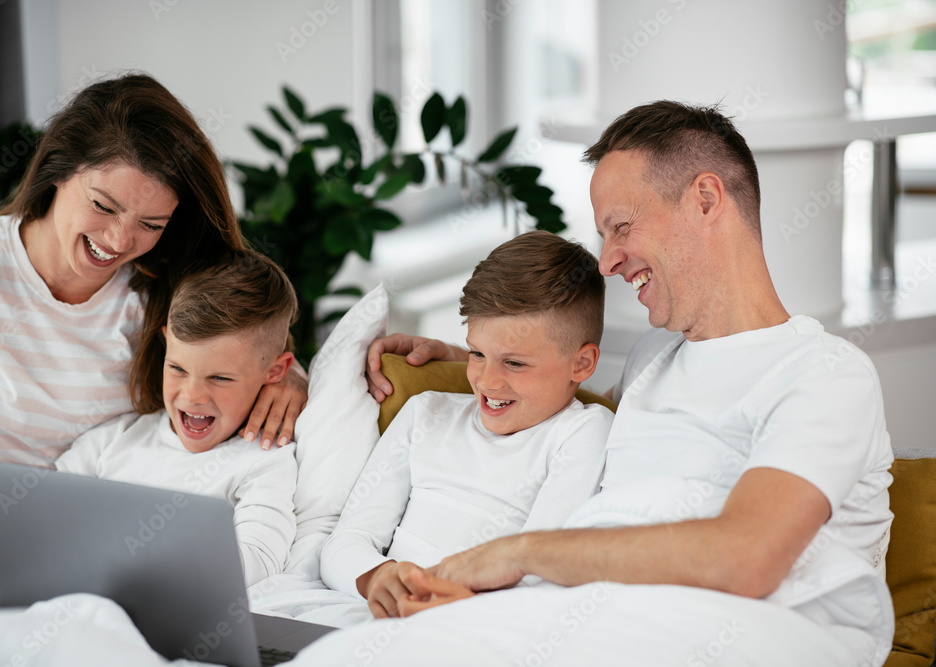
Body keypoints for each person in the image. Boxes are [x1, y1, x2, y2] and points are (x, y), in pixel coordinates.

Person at [291, 101, 895, 666]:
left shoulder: (824, 372)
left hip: (730, 631)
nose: (607, 261)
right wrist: (480, 359)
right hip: (596, 615)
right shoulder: (655, 358)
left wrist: (513, 554)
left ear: (706, 199)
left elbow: (747, 559)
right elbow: (558, 404)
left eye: (621, 226)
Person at [0, 73, 306, 518]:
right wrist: (46, 515)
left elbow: (250, 351)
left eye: (151, 224)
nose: (119, 240)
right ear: (58, 169)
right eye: (103, 206)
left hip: (119, 531)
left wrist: (289, 380)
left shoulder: (168, 285)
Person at [319, 231, 613, 619]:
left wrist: (457, 607)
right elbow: (347, 541)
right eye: (476, 353)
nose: (487, 382)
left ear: (582, 364)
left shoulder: (581, 432)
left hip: (478, 622)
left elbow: (541, 566)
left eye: (515, 363)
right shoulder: (425, 412)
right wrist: (378, 579)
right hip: (377, 612)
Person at [55, 249, 299, 586]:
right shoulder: (115, 439)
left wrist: (140, 559)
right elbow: (47, 511)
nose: (192, 395)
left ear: (275, 371)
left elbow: (258, 562)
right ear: (166, 341)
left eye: (220, 378)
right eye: (178, 369)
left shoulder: (264, 461)